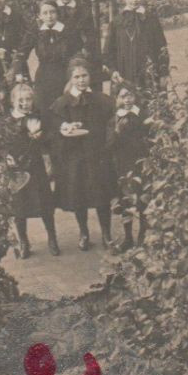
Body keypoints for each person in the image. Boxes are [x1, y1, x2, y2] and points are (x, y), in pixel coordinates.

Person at [50, 60, 114, 251]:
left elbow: (112, 119)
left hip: (96, 153)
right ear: (70, 79)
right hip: (74, 156)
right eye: (76, 77)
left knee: (101, 195)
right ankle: (84, 232)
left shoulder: (100, 99)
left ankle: (106, 234)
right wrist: (64, 128)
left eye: (84, 76)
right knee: (79, 195)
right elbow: (54, 126)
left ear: (90, 77)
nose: (81, 80)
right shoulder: (62, 103)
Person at [4, 82, 58, 259]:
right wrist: (6, 156)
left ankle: (52, 238)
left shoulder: (36, 117)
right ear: (13, 101)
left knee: (44, 204)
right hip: (16, 168)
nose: (25, 103)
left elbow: (50, 138)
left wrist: (41, 137)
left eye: (28, 99)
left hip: (35, 166)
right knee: (20, 205)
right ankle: (24, 241)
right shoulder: (8, 121)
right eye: (21, 100)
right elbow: (0, 142)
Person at [102, 0, 170, 96]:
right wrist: (113, 71)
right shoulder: (116, 22)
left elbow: (162, 47)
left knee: (152, 105)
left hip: (149, 72)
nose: (134, 0)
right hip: (124, 72)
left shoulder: (151, 20)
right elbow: (108, 51)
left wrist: (163, 73)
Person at [109, 84, 150, 251]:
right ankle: (128, 237)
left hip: (141, 163)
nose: (127, 99)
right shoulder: (114, 120)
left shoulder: (143, 115)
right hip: (124, 164)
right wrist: (117, 132)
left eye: (130, 95)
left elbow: (150, 136)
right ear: (117, 98)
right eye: (123, 96)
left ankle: (142, 235)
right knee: (126, 199)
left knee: (143, 198)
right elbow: (109, 145)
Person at [27, 0, 77, 114]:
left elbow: (77, 52)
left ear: (57, 14)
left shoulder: (67, 31)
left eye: (52, 12)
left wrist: (72, 77)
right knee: (44, 109)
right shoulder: (36, 32)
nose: (49, 16)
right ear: (40, 16)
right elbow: (22, 51)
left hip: (64, 75)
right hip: (43, 77)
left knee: (65, 109)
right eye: (45, 13)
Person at [51, 0, 98, 70]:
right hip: (55, 54)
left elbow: (91, 34)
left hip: (77, 53)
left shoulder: (82, 9)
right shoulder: (51, 9)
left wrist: (85, 49)